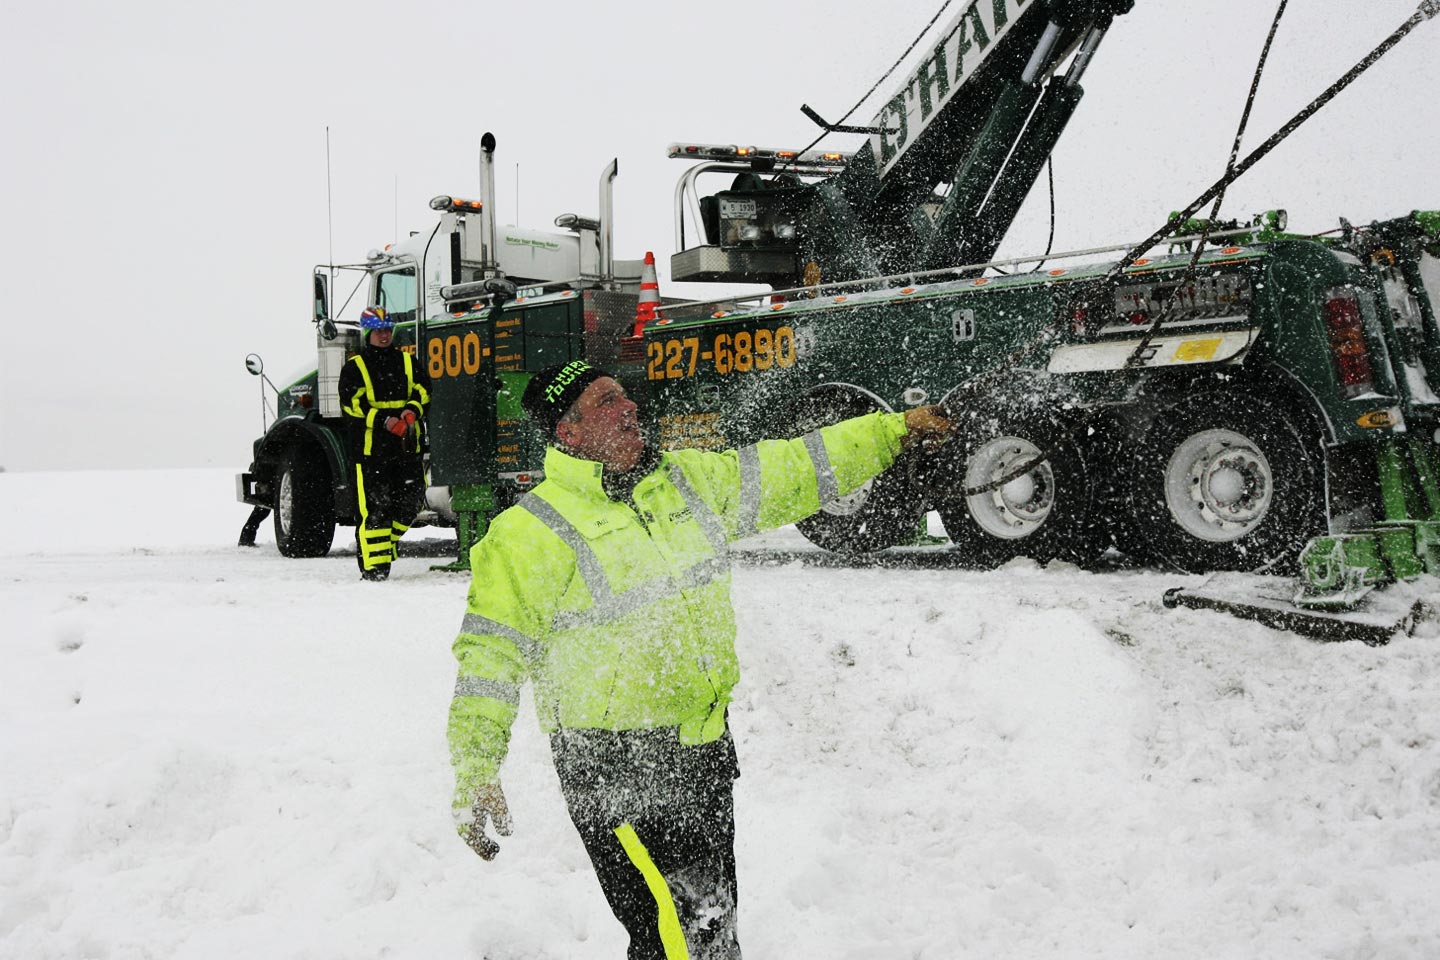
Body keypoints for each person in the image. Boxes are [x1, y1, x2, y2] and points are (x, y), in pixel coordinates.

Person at [446, 359, 952, 959]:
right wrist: (476, 768)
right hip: (614, 767)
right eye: (607, 401)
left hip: (702, 748)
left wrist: (894, 430)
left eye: (625, 396)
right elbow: (489, 658)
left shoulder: (686, 484)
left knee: (709, 928)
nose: (629, 407)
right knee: (679, 939)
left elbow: (797, 467)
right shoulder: (527, 534)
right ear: (570, 432)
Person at [337, 306, 431, 581]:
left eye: (388, 329)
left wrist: (411, 410)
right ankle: (375, 571)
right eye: (379, 330)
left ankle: (381, 549)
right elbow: (352, 405)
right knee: (375, 510)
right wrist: (384, 421)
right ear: (368, 332)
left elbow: (424, 390)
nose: (384, 335)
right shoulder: (355, 367)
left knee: (412, 503)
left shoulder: (407, 361)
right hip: (370, 452)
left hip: (405, 449)